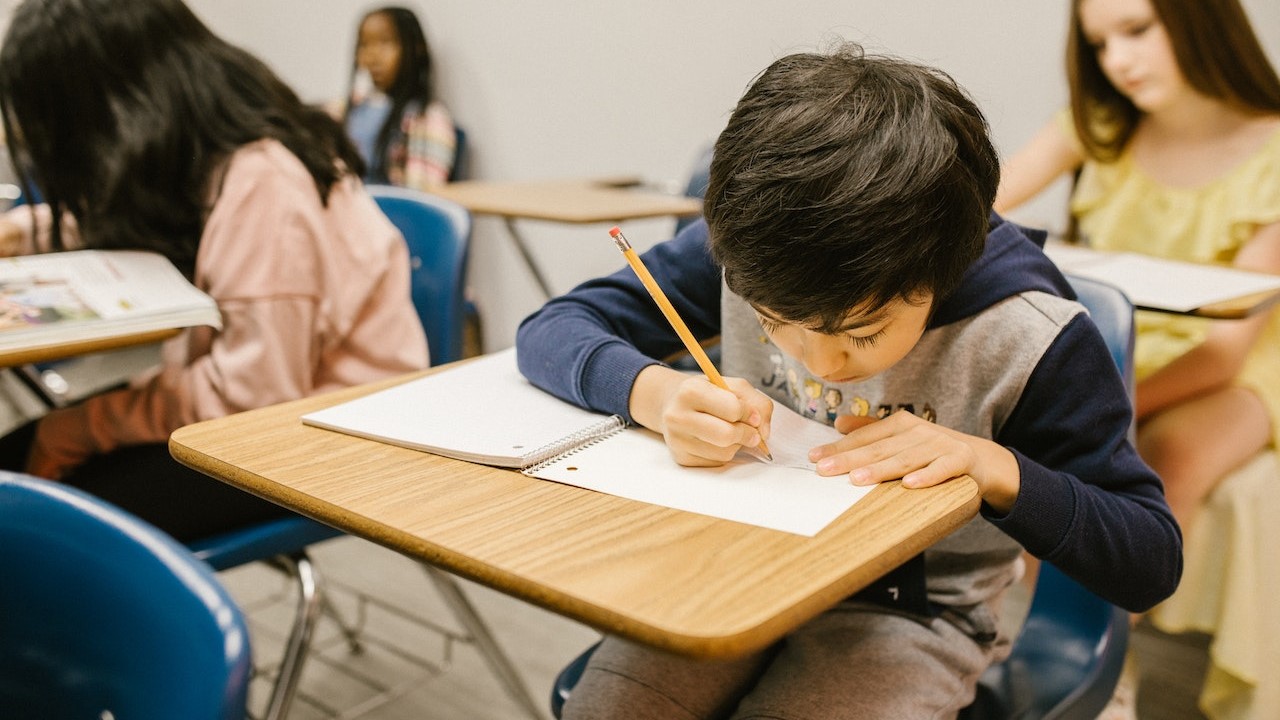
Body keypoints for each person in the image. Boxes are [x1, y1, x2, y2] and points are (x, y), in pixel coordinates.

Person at [516, 43, 1182, 719]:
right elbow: (553, 328)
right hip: (744, 563)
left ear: (945, 270)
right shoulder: (757, 254)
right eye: (776, 323)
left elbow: (1149, 558)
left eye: (863, 333)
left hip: (914, 614)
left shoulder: (1028, 332)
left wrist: (991, 466)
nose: (820, 363)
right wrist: (656, 396)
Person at [0, 0, 429, 543]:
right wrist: (21, 232)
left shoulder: (263, 184)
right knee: (16, 468)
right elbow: (138, 218)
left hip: (321, 436)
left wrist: (84, 428)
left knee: (33, 528)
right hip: (264, 403)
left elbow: (253, 399)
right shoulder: (207, 153)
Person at [997, 0, 1280, 541]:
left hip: (1238, 366)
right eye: (1100, 44)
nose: (1118, 61)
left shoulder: (1272, 155)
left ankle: (1111, 613)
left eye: (1137, 31)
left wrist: (1107, 404)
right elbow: (978, 202)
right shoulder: (1099, 127)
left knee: (1171, 450)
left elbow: (1225, 355)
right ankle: (1053, 619)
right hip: (1118, 345)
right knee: (1037, 451)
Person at [342, 6, 456, 190]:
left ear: (417, 48)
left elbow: (421, 197)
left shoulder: (428, 118)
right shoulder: (350, 110)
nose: (372, 56)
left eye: (385, 43)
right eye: (364, 45)